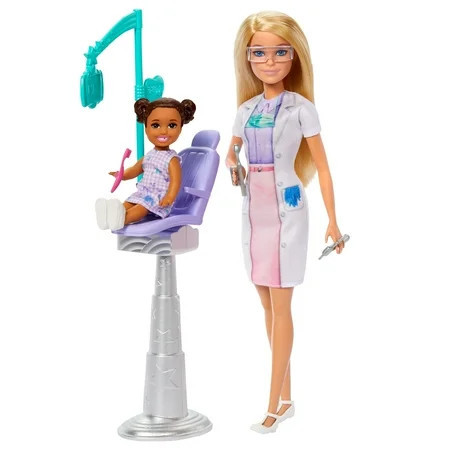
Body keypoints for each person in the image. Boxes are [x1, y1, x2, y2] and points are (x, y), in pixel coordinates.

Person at [226, 11, 345, 433]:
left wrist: (333, 220)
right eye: (259, 53)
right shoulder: (246, 109)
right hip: (254, 210)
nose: (270, 61)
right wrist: (232, 162)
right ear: (247, 58)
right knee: (266, 304)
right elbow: (232, 149)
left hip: (287, 209)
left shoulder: (301, 108)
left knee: (281, 305)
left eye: (280, 52)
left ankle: (273, 404)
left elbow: (323, 167)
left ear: (294, 56)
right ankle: (288, 397)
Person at [95, 97, 196, 231]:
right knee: (128, 203)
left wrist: (170, 197)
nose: (163, 131)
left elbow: (176, 181)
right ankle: (108, 217)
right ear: (146, 128)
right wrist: (122, 175)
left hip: (158, 197)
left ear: (180, 128)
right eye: (156, 125)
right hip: (143, 192)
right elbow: (135, 169)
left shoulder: (172, 159)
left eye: (172, 125)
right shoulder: (149, 155)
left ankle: (122, 219)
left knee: (141, 208)